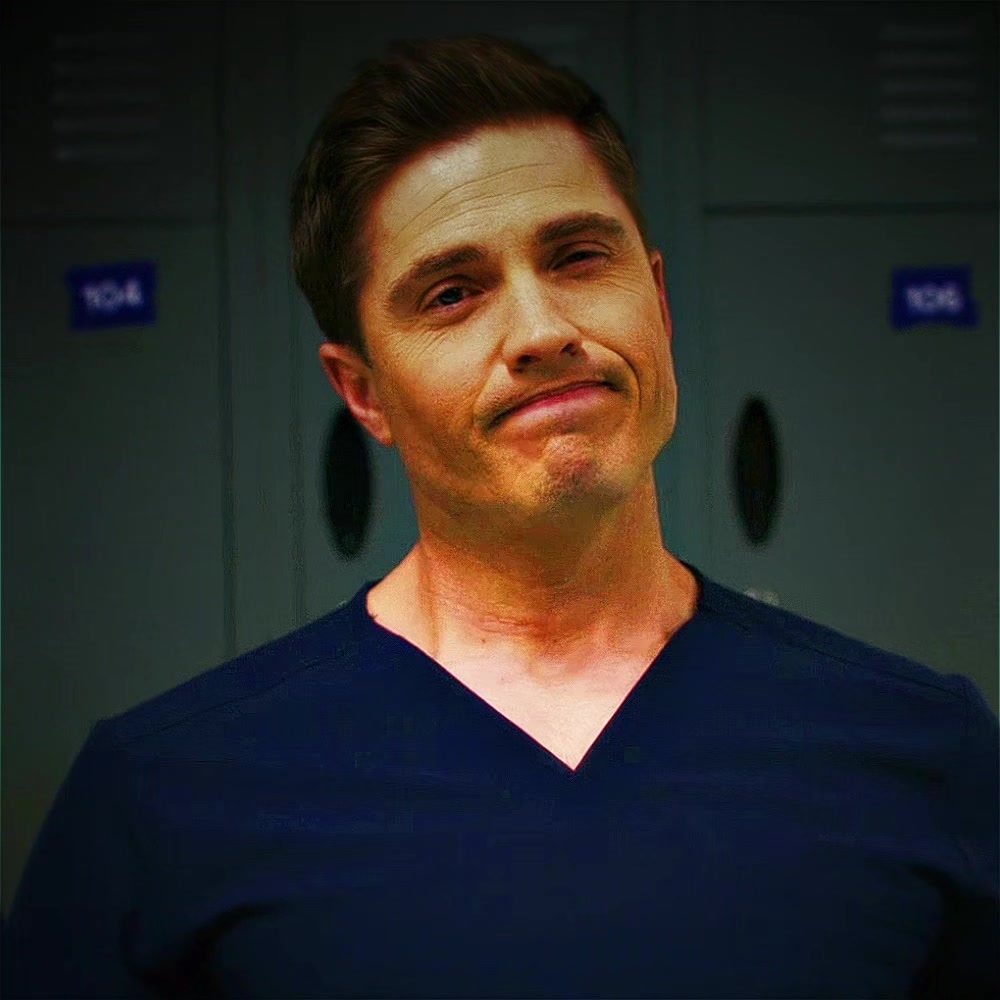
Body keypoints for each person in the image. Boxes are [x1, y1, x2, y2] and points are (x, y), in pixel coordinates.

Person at [3, 34, 997, 1000]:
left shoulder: (922, 750)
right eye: (452, 293)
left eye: (577, 257)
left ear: (657, 302)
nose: (542, 330)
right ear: (364, 393)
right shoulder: (163, 797)